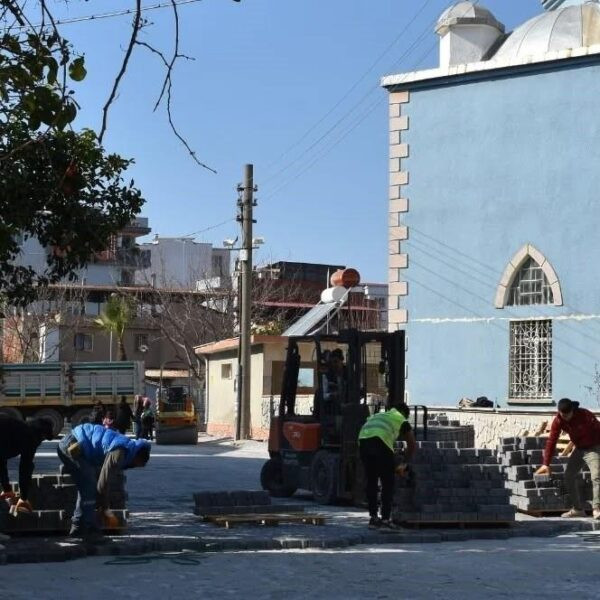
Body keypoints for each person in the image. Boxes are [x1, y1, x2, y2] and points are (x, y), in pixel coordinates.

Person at [57, 422, 151, 540]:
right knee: (89, 484)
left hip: (77, 447)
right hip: (71, 444)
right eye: (136, 465)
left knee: (87, 485)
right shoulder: (119, 452)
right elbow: (103, 482)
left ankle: (79, 528)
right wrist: (105, 509)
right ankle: (87, 528)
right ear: (136, 456)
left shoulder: (126, 448)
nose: (133, 467)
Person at [535, 397, 600, 520]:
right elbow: (552, 440)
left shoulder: (585, 415)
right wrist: (546, 464)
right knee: (569, 476)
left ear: (572, 411)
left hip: (594, 447)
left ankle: (597, 508)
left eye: (567, 415)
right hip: (579, 448)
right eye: (562, 415)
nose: (565, 417)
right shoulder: (559, 420)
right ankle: (577, 509)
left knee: (596, 476)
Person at [358, 402, 416, 530]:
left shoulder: (378, 416)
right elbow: (412, 444)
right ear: (404, 414)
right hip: (380, 442)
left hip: (363, 442)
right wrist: (403, 463)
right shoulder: (401, 419)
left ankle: (373, 519)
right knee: (388, 482)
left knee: (372, 481)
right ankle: (385, 520)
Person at [0, 416, 54, 514]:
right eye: (43, 439)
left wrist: (7, 488)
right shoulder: (31, 437)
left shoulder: (16, 428)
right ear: (41, 435)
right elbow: (25, 468)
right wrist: (23, 498)